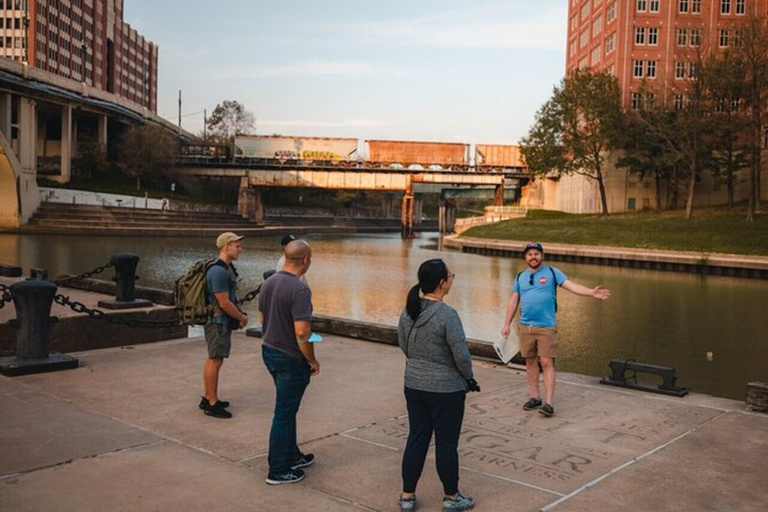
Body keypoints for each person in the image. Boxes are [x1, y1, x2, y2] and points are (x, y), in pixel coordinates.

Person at [397, 259, 478, 512]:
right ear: (442, 283)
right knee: (446, 443)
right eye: (451, 276)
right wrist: (468, 378)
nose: (453, 279)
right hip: (445, 389)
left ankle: (407, 495)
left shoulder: (408, 310)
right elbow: (461, 356)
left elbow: (402, 344)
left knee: (417, 438)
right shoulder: (447, 314)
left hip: (414, 383)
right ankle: (452, 497)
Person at [501, 242, 611, 418]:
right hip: (525, 327)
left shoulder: (552, 273)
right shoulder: (520, 276)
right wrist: (506, 324)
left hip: (546, 327)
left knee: (546, 363)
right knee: (530, 362)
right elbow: (513, 301)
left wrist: (591, 292)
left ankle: (549, 403)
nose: (533, 257)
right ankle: (535, 397)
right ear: (525, 257)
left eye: (536, 254)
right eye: (529, 254)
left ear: (542, 256)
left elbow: (572, 286)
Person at [259, 239, 318, 485]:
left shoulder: (269, 281)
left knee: (288, 407)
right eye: (311, 257)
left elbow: (263, 318)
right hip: (290, 357)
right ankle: (279, 469)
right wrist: (312, 360)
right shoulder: (300, 289)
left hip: (270, 350)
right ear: (305, 260)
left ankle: (292, 454)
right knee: (284, 412)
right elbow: (303, 332)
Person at [200, 232, 248, 419]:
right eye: (237, 245)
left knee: (214, 358)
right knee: (215, 359)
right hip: (217, 322)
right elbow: (224, 303)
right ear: (226, 247)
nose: (240, 249)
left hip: (220, 321)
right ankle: (212, 404)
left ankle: (208, 397)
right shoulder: (218, 271)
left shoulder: (227, 268)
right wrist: (241, 318)